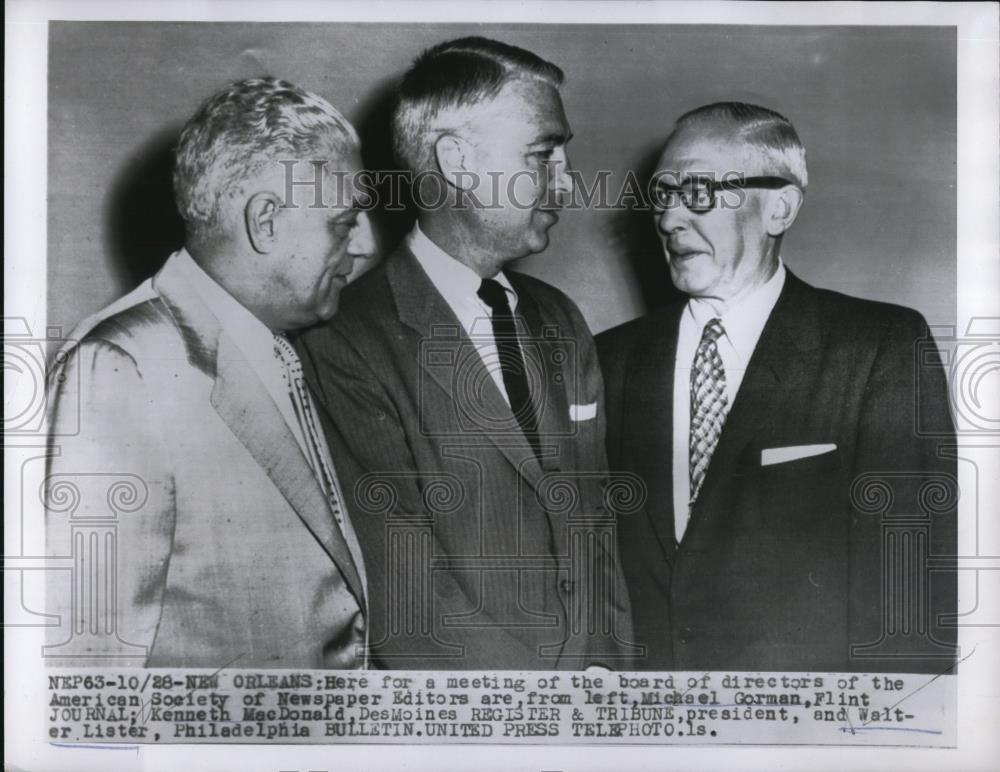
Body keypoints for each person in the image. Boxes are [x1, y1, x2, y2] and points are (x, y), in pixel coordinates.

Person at [296, 37, 635, 670]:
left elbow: (598, 541)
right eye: (543, 153)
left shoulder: (560, 319)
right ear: (457, 160)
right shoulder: (345, 343)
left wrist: (609, 695)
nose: (567, 180)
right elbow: (406, 599)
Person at [598, 102, 957, 673]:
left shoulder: (877, 347)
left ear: (779, 207)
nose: (668, 219)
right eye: (663, 194)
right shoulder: (608, 359)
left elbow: (907, 597)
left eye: (698, 192)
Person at [44, 77, 375, 668]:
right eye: (344, 222)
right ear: (266, 222)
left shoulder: (277, 343)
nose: (366, 244)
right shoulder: (123, 366)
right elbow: (87, 670)